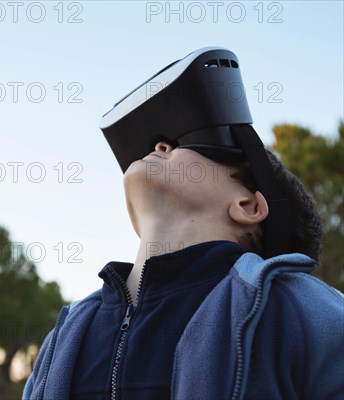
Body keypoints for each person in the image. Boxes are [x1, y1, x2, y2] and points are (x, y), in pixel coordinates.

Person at [22, 47, 344, 400]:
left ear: (248, 205)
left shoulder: (309, 315)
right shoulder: (66, 336)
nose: (159, 144)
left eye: (190, 144)